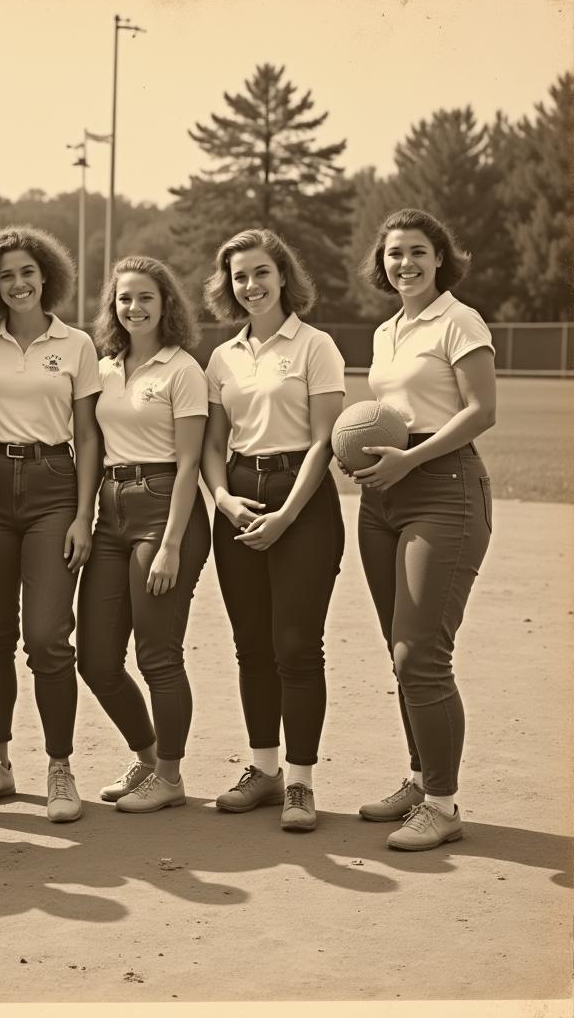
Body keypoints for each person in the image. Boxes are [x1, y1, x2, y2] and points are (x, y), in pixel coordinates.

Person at [350, 208, 495, 850]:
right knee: (399, 649)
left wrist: (410, 457)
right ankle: (420, 778)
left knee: (420, 652)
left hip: (444, 488)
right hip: (384, 494)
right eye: (392, 255)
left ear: (440, 258)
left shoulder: (459, 320)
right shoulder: (388, 331)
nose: (403, 263)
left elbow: (481, 411)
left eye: (416, 252)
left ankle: (443, 805)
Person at [200, 228, 345, 832]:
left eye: (261, 272)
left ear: (283, 276)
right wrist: (225, 498)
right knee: (251, 645)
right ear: (228, 285)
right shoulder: (222, 356)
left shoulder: (316, 347)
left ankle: (301, 783)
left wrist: (287, 515)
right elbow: (210, 443)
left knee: (296, 647)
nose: (251, 285)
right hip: (238, 496)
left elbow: (324, 442)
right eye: (239, 276)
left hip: (302, 500)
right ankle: (263, 771)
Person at [0, 226, 101, 823]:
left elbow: (90, 435)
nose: (18, 284)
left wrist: (83, 515)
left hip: (52, 488)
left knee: (46, 636)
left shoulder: (76, 344)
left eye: (27, 273)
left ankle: (60, 767)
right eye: (6, 275)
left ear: (47, 277)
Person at [76, 256, 210, 813]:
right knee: (96, 659)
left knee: (158, 655)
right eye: (125, 298)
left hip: (163, 509)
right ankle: (148, 757)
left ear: (166, 304)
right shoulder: (103, 367)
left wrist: (173, 544)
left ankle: (171, 778)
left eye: (146, 298)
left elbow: (189, 465)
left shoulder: (182, 370)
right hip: (112, 510)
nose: (134, 307)